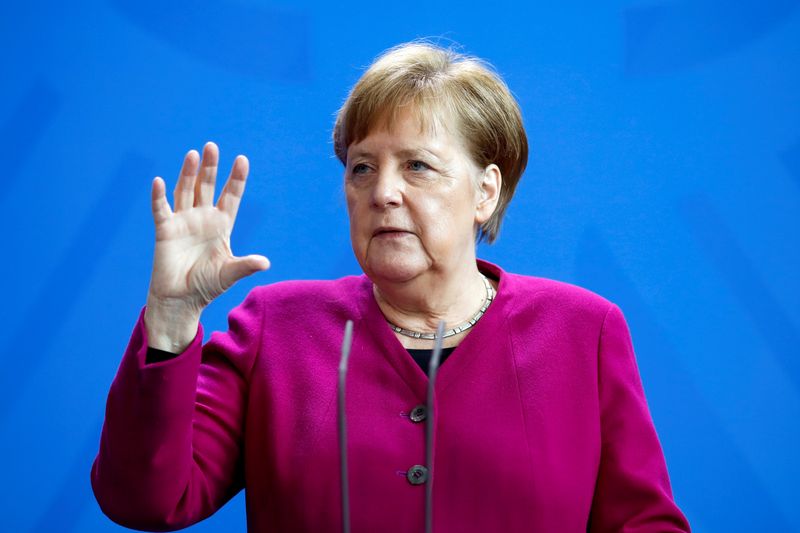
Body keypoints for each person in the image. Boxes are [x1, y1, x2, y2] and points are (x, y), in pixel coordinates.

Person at [91, 42, 691, 532]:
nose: (383, 193)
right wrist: (169, 320)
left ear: (485, 191)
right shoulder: (275, 327)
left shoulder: (582, 331)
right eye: (362, 167)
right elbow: (145, 499)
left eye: (418, 166)